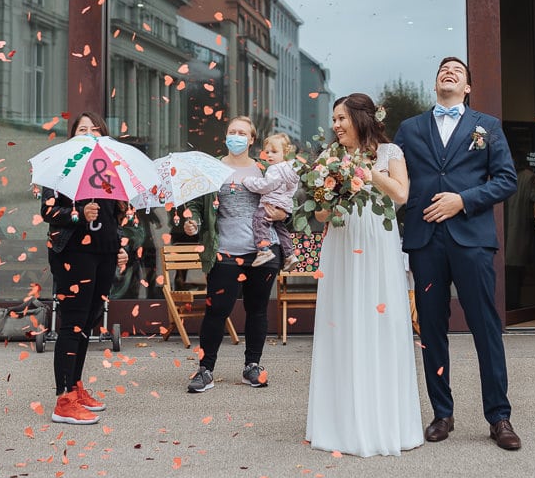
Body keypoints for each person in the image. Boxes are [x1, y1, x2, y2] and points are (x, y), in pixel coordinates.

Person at [393, 56, 521, 451]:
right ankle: (441, 413)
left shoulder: (488, 126)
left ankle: (499, 417)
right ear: (436, 84)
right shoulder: (409, 129)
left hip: (472, 241)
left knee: (485, 326)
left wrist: (462, 200)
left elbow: (506, 180)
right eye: (442, 70)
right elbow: (397, 182)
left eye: (458, 71)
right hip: (425, 241)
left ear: (467, 87)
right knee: (431, 329)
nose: (449, 72)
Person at [306, 94, 423, 457]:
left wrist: (364, 171)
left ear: (360, 118)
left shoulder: (390, 153)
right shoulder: (327, 157)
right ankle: (339, 422)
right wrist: (335, 190)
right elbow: (321, 216)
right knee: (342, 322)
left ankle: (384, 420)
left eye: (342, 118)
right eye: (334, 119)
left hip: (377, 240)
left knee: (379, 321)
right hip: (341, 243)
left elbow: (402, 194)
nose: (336, 125)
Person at [177, 116, 282, 393]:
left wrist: (283, 213)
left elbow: (285, 203)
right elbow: (196, 208)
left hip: (262, 252)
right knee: (216, 311)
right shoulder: (211, 169)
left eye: (242, 133)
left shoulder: (266, 170)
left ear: (251, 140)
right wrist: (193, 224)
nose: (236, 136)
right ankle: (205, 370)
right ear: (225, 137)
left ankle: (252, 367)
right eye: (231, 132)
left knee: (257, 310)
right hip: (224, 252)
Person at [41, 112, 129, 425]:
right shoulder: (60, 168)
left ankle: (76, 387)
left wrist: (120, 247)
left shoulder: (111, 171)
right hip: (74, 253)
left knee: (88, 322)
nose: (89, 133)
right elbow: (49, 211)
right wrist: (78, 213)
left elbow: (115, 217)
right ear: (73, 136)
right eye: (82, 129)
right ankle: (63, 401)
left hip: (104, 254)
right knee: (72, 322)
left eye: (95, 129)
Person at [241, 132, 299, 268]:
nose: (269, 155)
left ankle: (264, 250)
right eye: (267, 152)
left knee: (259, 221)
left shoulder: (274, 169)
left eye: (274, 152)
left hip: (270, 203)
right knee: (280, 228)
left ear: (285, 153)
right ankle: (290, 255)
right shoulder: (292, 170)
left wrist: (248, 181)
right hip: (284, 205)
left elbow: (264, 186)